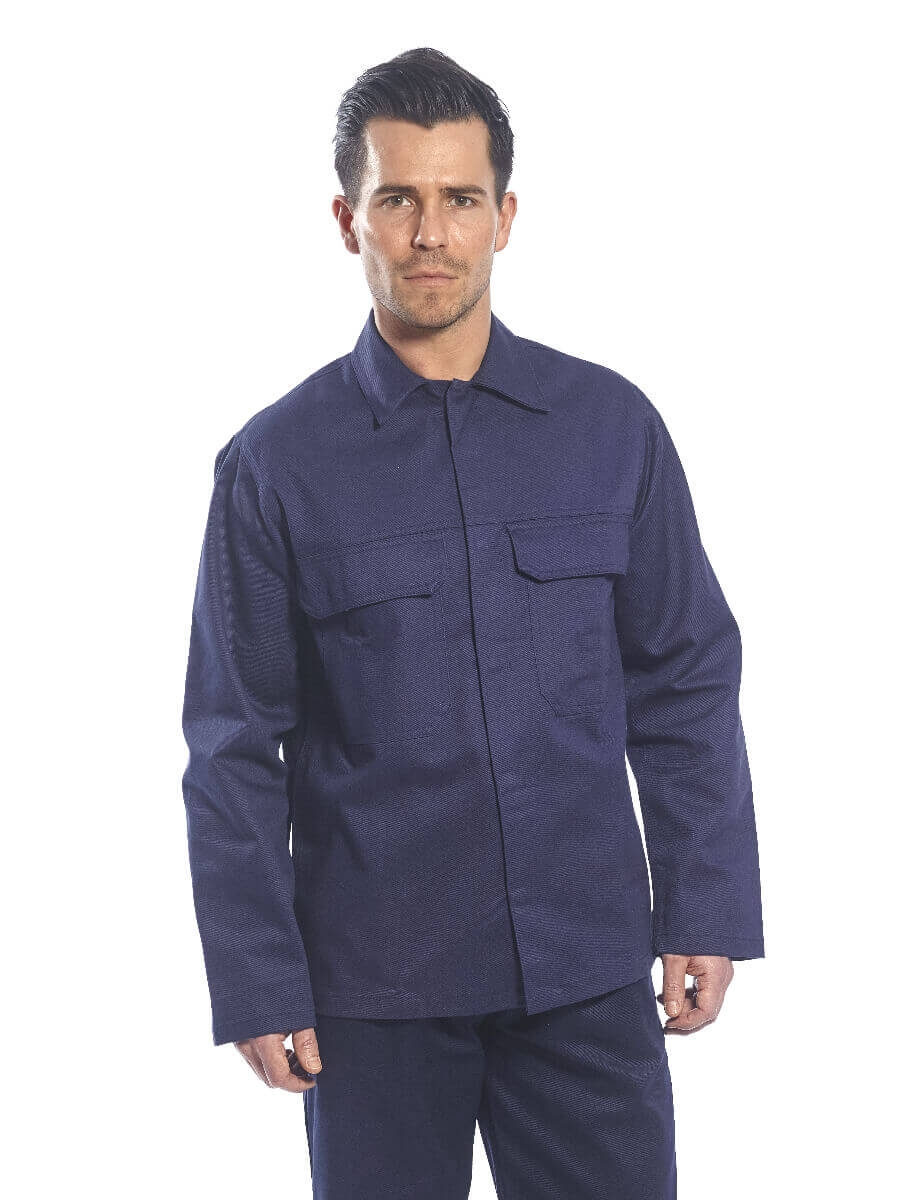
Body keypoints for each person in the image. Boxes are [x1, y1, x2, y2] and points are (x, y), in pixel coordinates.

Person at [181, 45, 765, 1199]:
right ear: (348, 220)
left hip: (586, 970)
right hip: (374, 990)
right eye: (398, 199)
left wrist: (704, 903)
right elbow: (233, 742)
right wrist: (258, 976)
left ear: (505, 217)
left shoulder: (611, 428)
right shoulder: (275, 465)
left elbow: (684, 677)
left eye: (459, 199)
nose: (430, 235)